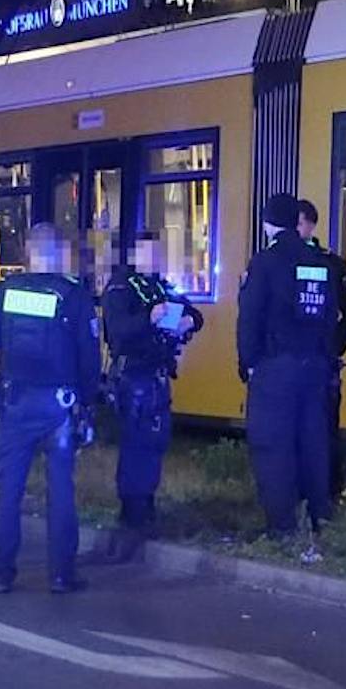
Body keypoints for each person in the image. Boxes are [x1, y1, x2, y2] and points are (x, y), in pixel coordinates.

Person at [0, 222, 100, 593]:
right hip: (60, 408)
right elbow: (89, 359)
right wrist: (88, 403)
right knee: (61, 490)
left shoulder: (3, 293)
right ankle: (61, 575)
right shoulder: (74, 296)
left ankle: (0, 574)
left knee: (8, 490)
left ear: (28, 253)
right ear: (60, 254)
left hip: (15, 404)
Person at [238, 190, 341, 552]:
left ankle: (282, 525)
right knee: (313, 442)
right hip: (313, 366)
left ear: (267, 223)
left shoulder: (265, 262)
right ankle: (319, 515)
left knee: (273, 445)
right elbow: (331, 317)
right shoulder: (319, 261)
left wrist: (247, 362)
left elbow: (249, 317)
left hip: (275, 368)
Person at [100, 232, 202, 556]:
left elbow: (193, 313)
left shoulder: (159, 286)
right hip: (133, 377)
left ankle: (146, 509)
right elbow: (117, 333)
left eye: (158, 253)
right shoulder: (121, 287)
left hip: (156, 378)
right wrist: (149, 318)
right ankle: (131, 516)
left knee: (154, 445)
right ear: (134, 254)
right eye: (149, 253)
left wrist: (190, 321)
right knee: (136, 447)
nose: (155, 259)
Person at [296, 198, 346, 500]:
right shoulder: (278, 262)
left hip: (322, 361)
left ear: (311, 225)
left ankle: (329, 490)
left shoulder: (333, 265)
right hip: (289, 361)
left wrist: (335, 346)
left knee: (325, 427)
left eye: (297, 223)